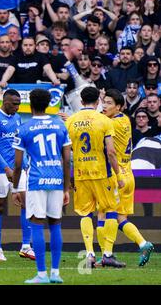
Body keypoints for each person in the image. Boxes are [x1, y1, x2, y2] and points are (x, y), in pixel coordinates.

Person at [12, 88, 71, 284]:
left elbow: (18, 164)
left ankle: (41, 274)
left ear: (30, 104)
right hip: (56, 179)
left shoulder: (24, 128)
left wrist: (15, 188)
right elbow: (67, 158)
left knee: (36, 224)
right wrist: (66, 188)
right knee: (55, 224)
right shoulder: (60, 125)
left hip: (37, 180)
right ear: (48, 104)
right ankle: (55, 273)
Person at [65, 86, 126, 268]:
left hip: (81, 173)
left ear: (81, 101)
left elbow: (67, 153)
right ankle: (107, 253)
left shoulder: (70, 121)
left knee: (85, 213)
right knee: (111, 210)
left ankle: (90, 253)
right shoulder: (104, 120)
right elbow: (111, 152)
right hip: (102, 173)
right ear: (98, 102)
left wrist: (69, 177)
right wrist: (119, 174)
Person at [100, 89, 154, 266]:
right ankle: (143, 243)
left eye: (109, 103)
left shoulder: (111, 124)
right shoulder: (124, 119)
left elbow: (96, 128)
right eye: (104, 102)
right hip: (128, 174)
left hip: (117, 175)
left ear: (119, 106)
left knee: (107, 214)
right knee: (120, 218)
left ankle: (106, 254)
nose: (105, 106)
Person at [0, 89, 34, 262]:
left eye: (19, 104)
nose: (17, 107)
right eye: (15, 104)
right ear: (5, 102)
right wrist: (6, 168)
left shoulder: (17, 118)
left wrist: (25, 162)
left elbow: (19, 143)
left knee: (26, 203)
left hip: (18, 169)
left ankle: (26, 246)